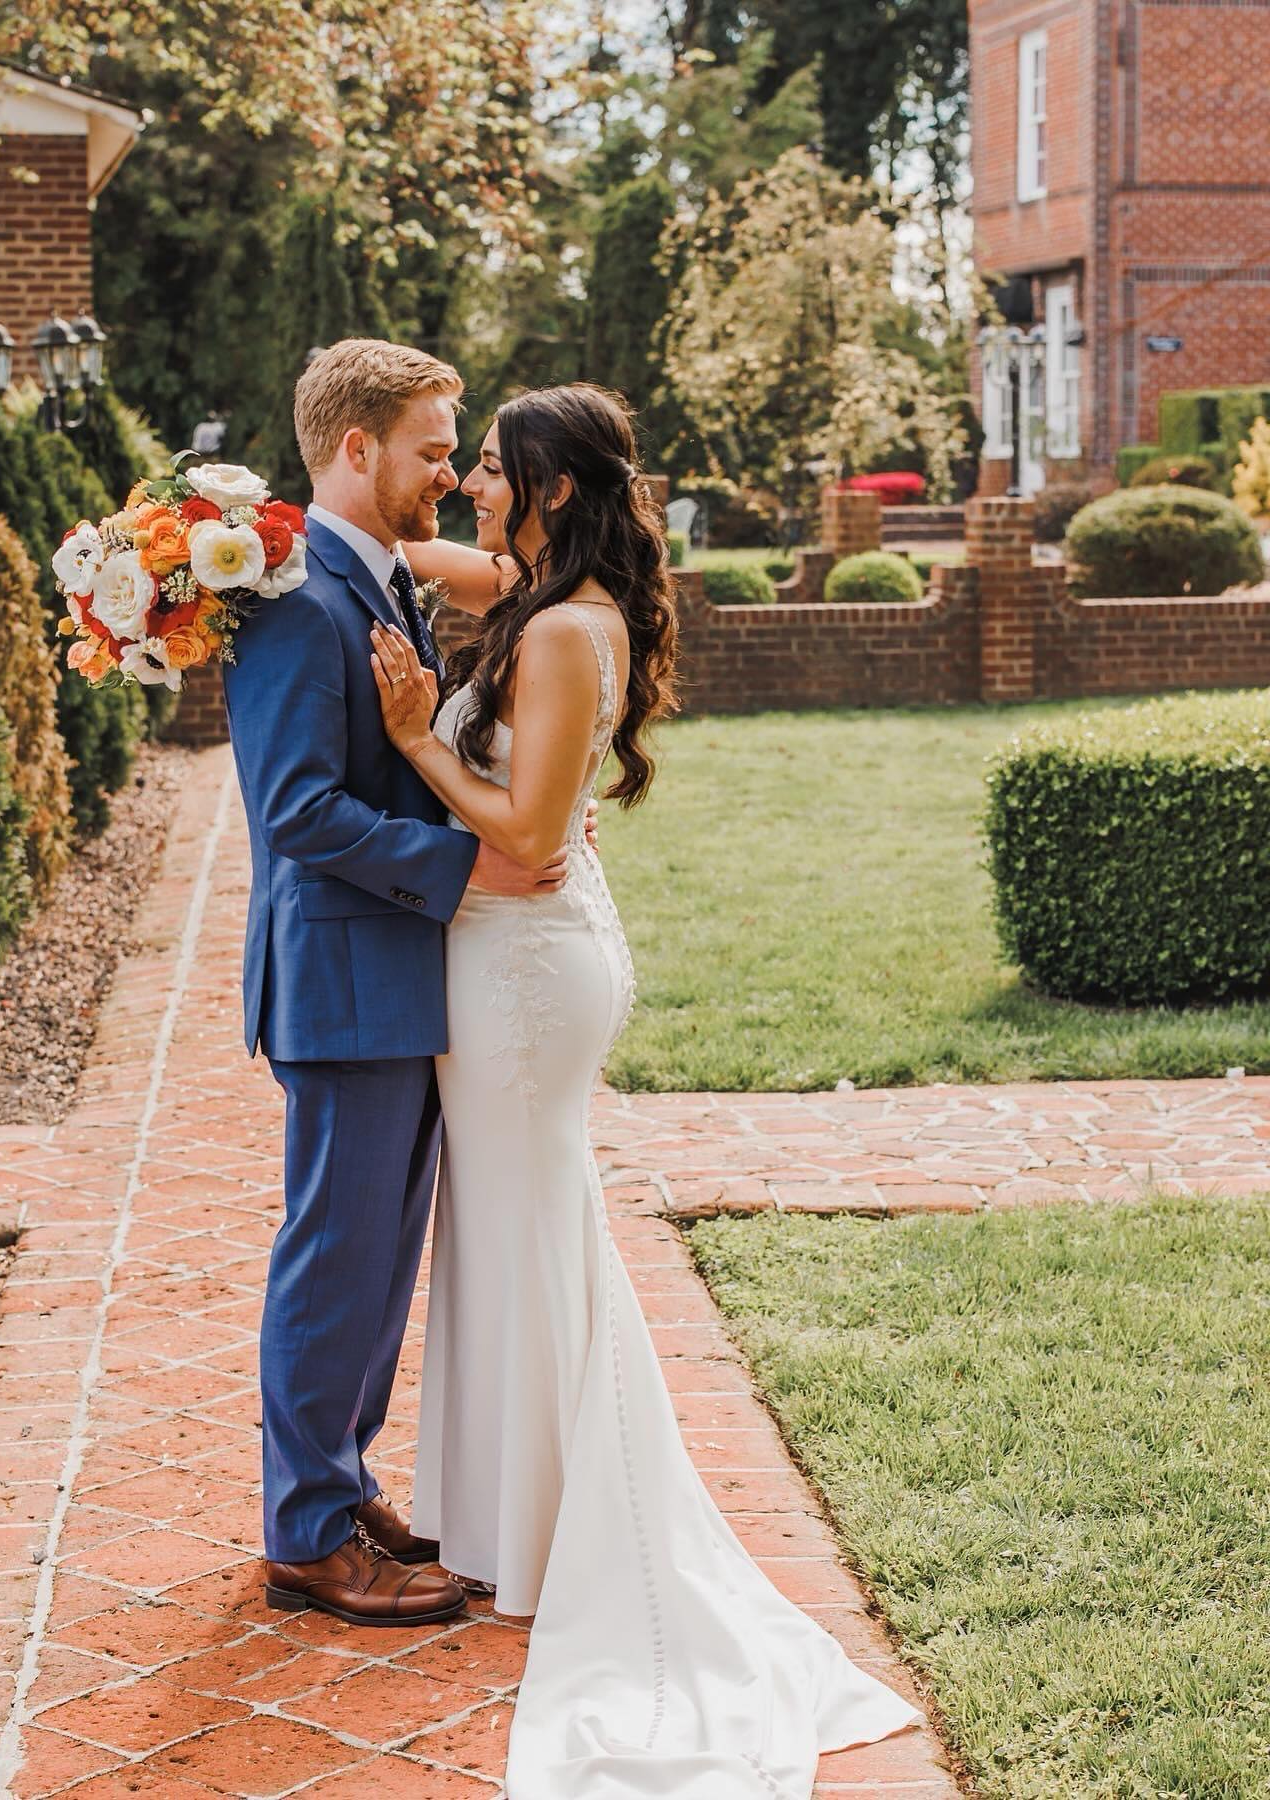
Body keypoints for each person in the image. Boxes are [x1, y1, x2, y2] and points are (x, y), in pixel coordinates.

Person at [371, 381, 923, 1796]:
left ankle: (560, 1530)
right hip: (513, 970)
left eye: (492, 470)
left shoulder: (559, 632)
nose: (473, 485)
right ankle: (509, 1516)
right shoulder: (554, 590)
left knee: (531, 1228)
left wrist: (423, 735)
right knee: (507, 1229)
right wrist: (339, 536)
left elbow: (533, 834)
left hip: (529, 973)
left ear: (551, 487)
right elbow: (471, 567)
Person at [220, 339, 585, 1627]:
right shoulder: (295, 603)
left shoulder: (375, 583)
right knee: (336, 1256)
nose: (448, 468)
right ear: (356, 447)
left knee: (379, 1265)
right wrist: (468, 866)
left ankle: (338, 1476)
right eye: (434, 447)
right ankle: (308, 1535)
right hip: (341, 981)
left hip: (399, 977)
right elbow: (296, 811)